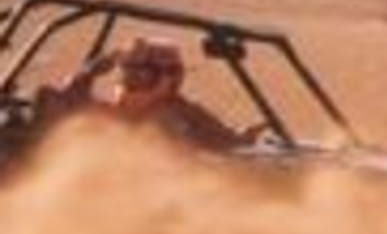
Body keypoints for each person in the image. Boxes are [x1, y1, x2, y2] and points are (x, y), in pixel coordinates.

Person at [44, 38, 246, 151]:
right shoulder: (108, 111)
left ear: (168, 78)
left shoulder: (186, 116)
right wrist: (88, 73)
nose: (129, 82)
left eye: (140, 75)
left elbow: (232, 144)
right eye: (126, 73)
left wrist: (246, 138)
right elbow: (65, 101)